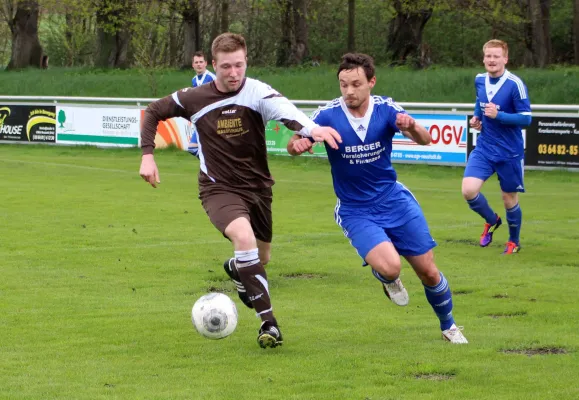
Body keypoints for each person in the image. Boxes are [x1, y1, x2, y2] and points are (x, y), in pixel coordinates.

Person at [139, 32, 342, 349]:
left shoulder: (257, 92)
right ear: (213, 64)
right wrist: (148, 155)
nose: (233, 73)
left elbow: (289, 113)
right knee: (244, 239)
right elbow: (153, 111)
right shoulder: (194, 97)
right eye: (226, 67)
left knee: (261, 257)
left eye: (239, 65)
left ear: (246, 61)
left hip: (259, 189)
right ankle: (269, 324)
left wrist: (313, 130)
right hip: (218, 189)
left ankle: (236, 268)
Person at [287, 53, 468, 344]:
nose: (348, 91)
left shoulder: (386, 109)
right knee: (391, 266)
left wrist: (411, 126)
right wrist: (299, 145)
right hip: (356, 209)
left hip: (394, 200)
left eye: (356, 84)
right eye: (343, 84)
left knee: (429, 272)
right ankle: (387, 278)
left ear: (371, 82)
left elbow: (425, 139)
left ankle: (449, 327)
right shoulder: (327, 114)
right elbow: (293, 142)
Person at [462, 39, 531, 254]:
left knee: (508, 198)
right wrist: (476, 117)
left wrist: (498, 115)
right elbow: (479, 101)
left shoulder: (515, 85)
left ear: (505, 59)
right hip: (484, 148)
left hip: (509, 152)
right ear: (483, 58)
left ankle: (513, 241)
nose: (491, 60)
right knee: (468, 190)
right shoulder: (480, 80)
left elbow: (526, 119)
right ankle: (491, 220)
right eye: (488, 56)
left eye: (496, 56)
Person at [188, 51, 216, 157]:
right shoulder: (194, 80)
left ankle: (213, 166)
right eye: (196, 62)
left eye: (201, 62)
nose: (199, 64)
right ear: (193, 65)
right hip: (200, 119)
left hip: (212, 119)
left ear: (205, 63)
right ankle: (213, 165)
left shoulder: (212, 78)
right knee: (192, 148)